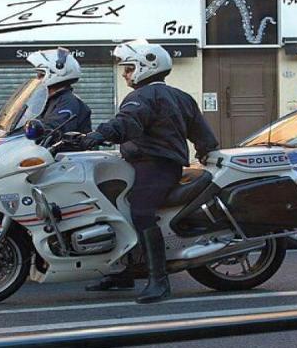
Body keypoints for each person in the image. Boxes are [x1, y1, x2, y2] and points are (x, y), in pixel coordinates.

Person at [79, 40, 219, 304]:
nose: (125, 74)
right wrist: (206, 152)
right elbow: (203, 134)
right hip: (155, 165)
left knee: (141, 212)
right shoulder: (181, 96)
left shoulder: (143, 97)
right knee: (115, 209)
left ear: (146, 66)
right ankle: (125, 271)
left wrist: (99, 135)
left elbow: (126, 123)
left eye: (129, 68)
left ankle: (159, 281)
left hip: (155, 166)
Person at [27, 48, 92, 134]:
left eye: (41, 75)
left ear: (57, 73)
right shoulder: (50, 100)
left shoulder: (68, 102)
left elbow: (55, 126)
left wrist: (30, 129)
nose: (38, 78)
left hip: (65, 148)